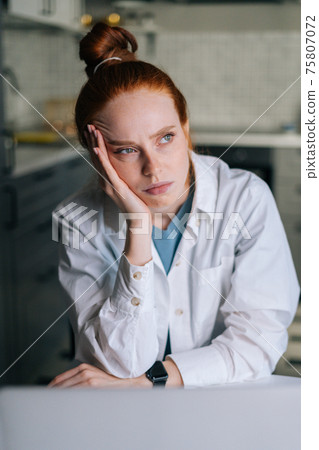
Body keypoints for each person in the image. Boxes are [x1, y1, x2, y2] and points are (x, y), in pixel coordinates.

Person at [49, 22, 300, 389]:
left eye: (165, 138)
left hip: (224, 400)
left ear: (185, 127)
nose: (154, 168)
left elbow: (259, 344)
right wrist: (137, 228)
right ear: (98, 155)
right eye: (127, 150)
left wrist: (151, 380)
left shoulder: (245, 199)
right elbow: (120, 364)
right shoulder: (79, 220)